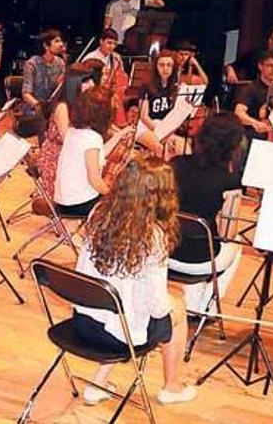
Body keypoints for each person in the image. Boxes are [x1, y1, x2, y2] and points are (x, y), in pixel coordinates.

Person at [75, 154, 196, 406]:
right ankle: (171, 387)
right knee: (178, 306)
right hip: (117, 337)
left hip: (83, 321)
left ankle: (98, 384)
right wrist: (174, 302)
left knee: (119, 306)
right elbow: (157, 307)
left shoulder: (99, 213)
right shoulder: (153, 237)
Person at [170, 113, 244, 314]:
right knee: (236, 244)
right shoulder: (230, 182)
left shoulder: (175, 164)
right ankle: (207, 309)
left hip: (165, 252)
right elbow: (227, 233)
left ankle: (192, 300)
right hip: (200, 261)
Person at [36, 64, 96, 195]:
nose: (92, 84)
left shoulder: (82, 104)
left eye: (91, 80)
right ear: (74, 84)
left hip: (71, 154)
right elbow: (68, 140)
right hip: (58, 158)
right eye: (85, 81)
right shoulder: (63, 107)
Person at [53, 86, 111, 216]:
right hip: (79, 204)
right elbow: (94, 180)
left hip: (63, 201)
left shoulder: (73, 132)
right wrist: (112, 193)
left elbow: (95, 158)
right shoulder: (93, 138)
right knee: (121, 204)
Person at [138, 50, 180, 157]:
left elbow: (173, 115)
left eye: (169, 65)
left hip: (164, 126)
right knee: (160, 148)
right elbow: (144, 117)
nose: (165, 68)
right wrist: (162, 133)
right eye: (161, 65)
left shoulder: (175, 87)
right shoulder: (146, 85)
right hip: (146, 126)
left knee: (178, 148)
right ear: (156, 66)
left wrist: (169, 133)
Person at [234, 50, 273, 143]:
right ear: (260, 66)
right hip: (256, 135)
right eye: (269, 65)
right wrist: (255, 123)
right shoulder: (251, 88)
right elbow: (239, 112)